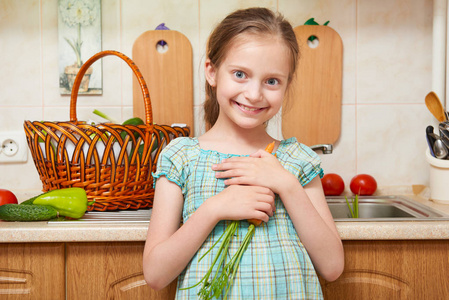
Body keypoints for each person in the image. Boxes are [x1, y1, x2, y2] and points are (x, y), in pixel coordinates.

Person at [143, 7, 344, 299]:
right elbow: (156, 274)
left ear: (287, 84)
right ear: (212, 72)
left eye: (272, 81)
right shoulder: (181, 156)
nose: (254, 94)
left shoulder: (298, 160)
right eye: (240, 74)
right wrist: (214, 209)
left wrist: (285, 183)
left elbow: (332, 266)